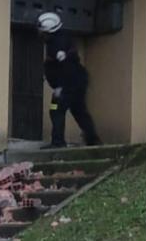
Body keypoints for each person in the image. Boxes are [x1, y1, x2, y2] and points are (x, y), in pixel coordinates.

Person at [37, 11, 101, 149]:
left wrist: (60, 87)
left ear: (49, 30)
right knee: (79, 110)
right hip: (75, 81)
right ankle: (93, 140)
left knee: (56, 110)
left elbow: (66, 67)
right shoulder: (58, 40)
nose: (40, 34)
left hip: (69, 84)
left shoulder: (58, 45)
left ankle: (58, 142)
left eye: (42, 31)